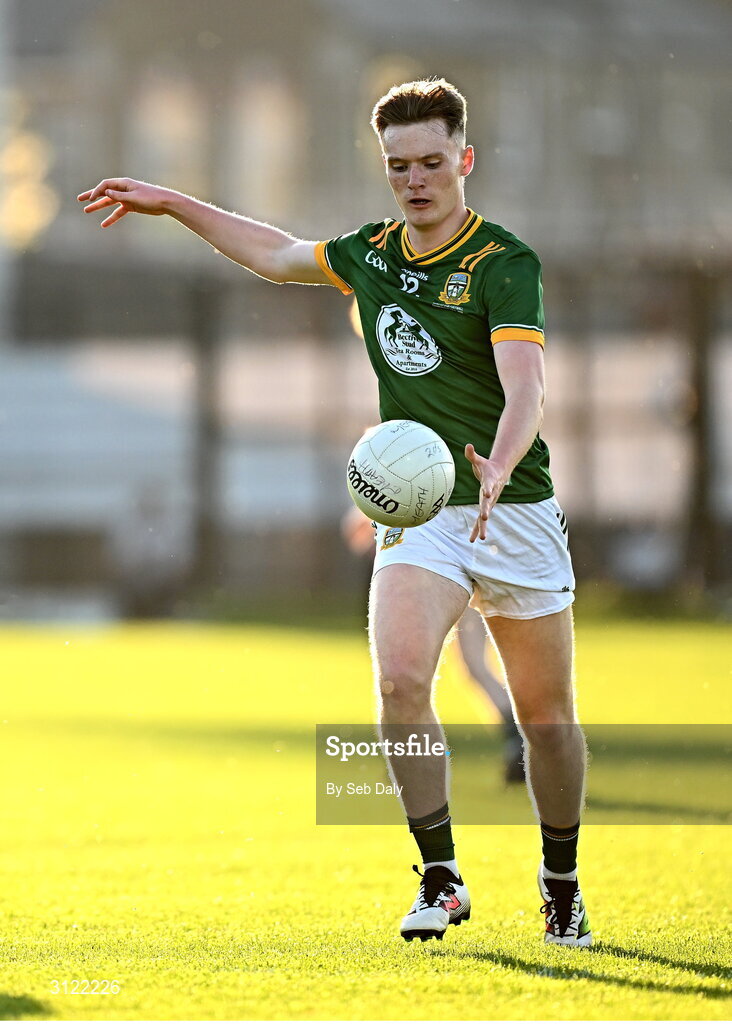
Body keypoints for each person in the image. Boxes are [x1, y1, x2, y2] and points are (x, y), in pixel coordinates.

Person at [78, 77, 591, 947]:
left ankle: (561, 881)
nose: (416, 180)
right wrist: (170, 203)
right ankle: (440, 878)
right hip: (423, 512)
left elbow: (528, 384)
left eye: (433, 162)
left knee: (546, 719)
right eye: (399, 166)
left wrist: (502, 462)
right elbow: (276, 253)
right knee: (398, 683)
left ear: (465, 160)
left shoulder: (505, 265)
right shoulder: (371, 252)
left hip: (515, 509)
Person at [341, 505, 525, 784]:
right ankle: (518, 738)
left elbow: (356, 526)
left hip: (439, 573)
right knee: (472, 666)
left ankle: (410, 756)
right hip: (466, 562)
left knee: (410, 671)